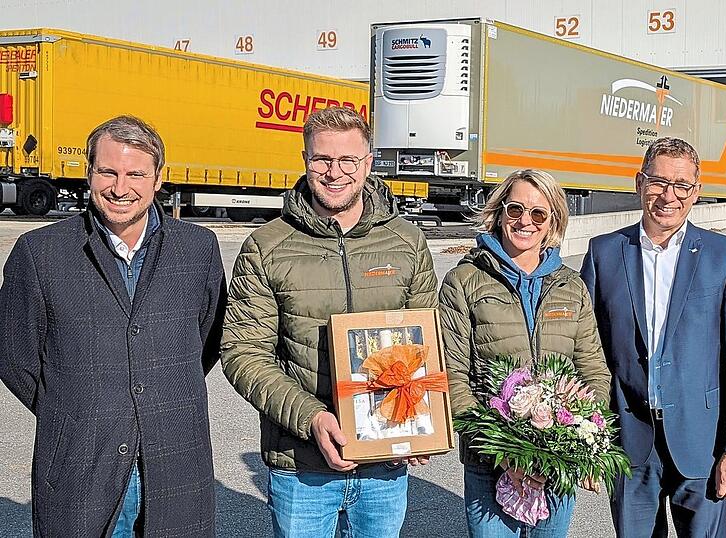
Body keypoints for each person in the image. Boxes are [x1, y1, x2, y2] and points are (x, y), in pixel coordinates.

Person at [0, 115, 226, 537]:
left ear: (159, 178)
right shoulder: (40, 252)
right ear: (89, 173)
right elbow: (15, 355)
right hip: (81, 466)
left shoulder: (198, 249)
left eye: (136, 174)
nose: (121, 188)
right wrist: (72, 407)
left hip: (175, 464)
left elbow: (206, 340)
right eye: (108, 171)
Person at [220, 106, 438, 538]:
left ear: (369, 163)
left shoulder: (407, 243)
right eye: (322, 159)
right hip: (302, 467)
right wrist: (313, 418)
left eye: (347, 161)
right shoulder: (267, 246)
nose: (334, 172)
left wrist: (421, 424)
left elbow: (427, 345)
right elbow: (243, 352)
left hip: (384, 466)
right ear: (305, 160)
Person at [581, 137, 726, 537]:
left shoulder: (725, 255)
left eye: (681, 185)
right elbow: (587, 352)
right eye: (659, 182)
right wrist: (588, 444)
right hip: (628, 441)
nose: (669, 195)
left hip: (703, 442)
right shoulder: (604, 252)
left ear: (696, 192)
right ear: (639, 182)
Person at [439, 169, 611, 537]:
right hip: (491, 463)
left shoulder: (571, 286)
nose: (525, 221)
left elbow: (593, 369)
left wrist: (582, 436)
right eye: (515, 209)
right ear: (500, 212)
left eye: (538, 214)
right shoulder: (464, 281)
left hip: (557, 462)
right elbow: (453, 375)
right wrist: (507, 453)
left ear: (552, 223)